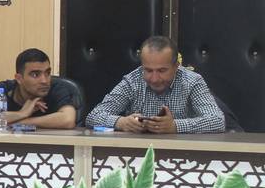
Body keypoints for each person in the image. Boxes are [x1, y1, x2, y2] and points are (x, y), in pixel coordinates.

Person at [86, 35, 224, 134]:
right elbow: (93, 116)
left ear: (176, 66)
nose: (154, 79)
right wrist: (121, 122)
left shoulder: (192, 81)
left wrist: (175, 126)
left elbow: (217, 121)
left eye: (162, 71)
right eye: (148, 70)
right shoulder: (132, 80)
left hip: (182, 155)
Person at [0, 48, 78, 129]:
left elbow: (68, 120)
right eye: (35, 75)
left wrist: (22, 122)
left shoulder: (57, 89)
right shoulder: (3, 90)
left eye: (47, 73)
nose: (44, 80)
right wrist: (21, 113)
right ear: (19, 78)